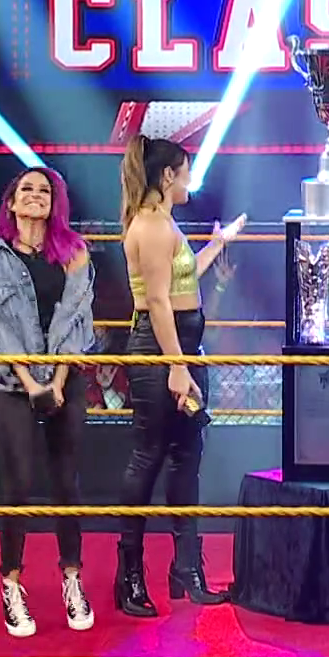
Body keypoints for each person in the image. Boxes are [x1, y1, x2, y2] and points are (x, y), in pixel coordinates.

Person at [113, 136, 245, 618]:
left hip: (182, 348)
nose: (192, 179)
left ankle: (187, 569)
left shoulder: (165, 223)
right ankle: (129, 575)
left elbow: (181, 284)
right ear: (168, 175)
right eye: (187, 170)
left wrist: (217, 244)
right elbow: (157, 301)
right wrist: (176, 364)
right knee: (148, 455)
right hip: (160, 350)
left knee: (187, 457)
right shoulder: (150, 226)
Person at [0, 167, 98, 638]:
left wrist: (58, 380)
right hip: (13, 383)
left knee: (66, 481)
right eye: (27, 189)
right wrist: (31, 383)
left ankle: (72, 580)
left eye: (44, 190)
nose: (36, 195)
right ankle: (11, 583)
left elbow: (77, 319)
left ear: (54, 202)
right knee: (19, 482)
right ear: (11, 201)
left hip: (65, 378)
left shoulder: (75, 253)